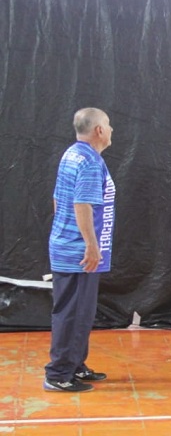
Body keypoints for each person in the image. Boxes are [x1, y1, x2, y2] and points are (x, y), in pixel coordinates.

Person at [45, 108, 116, 392]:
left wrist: (64, 233)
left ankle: (75, 365)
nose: (111, 130)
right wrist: (89, 245)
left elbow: (57, 199)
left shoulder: (72, 154)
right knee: (73, 313)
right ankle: (58, 374)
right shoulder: (89, 162)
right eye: (109, 125)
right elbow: (81, 205)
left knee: (80, 312)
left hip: (68, 245)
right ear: (99, 130)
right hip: (79, 253)